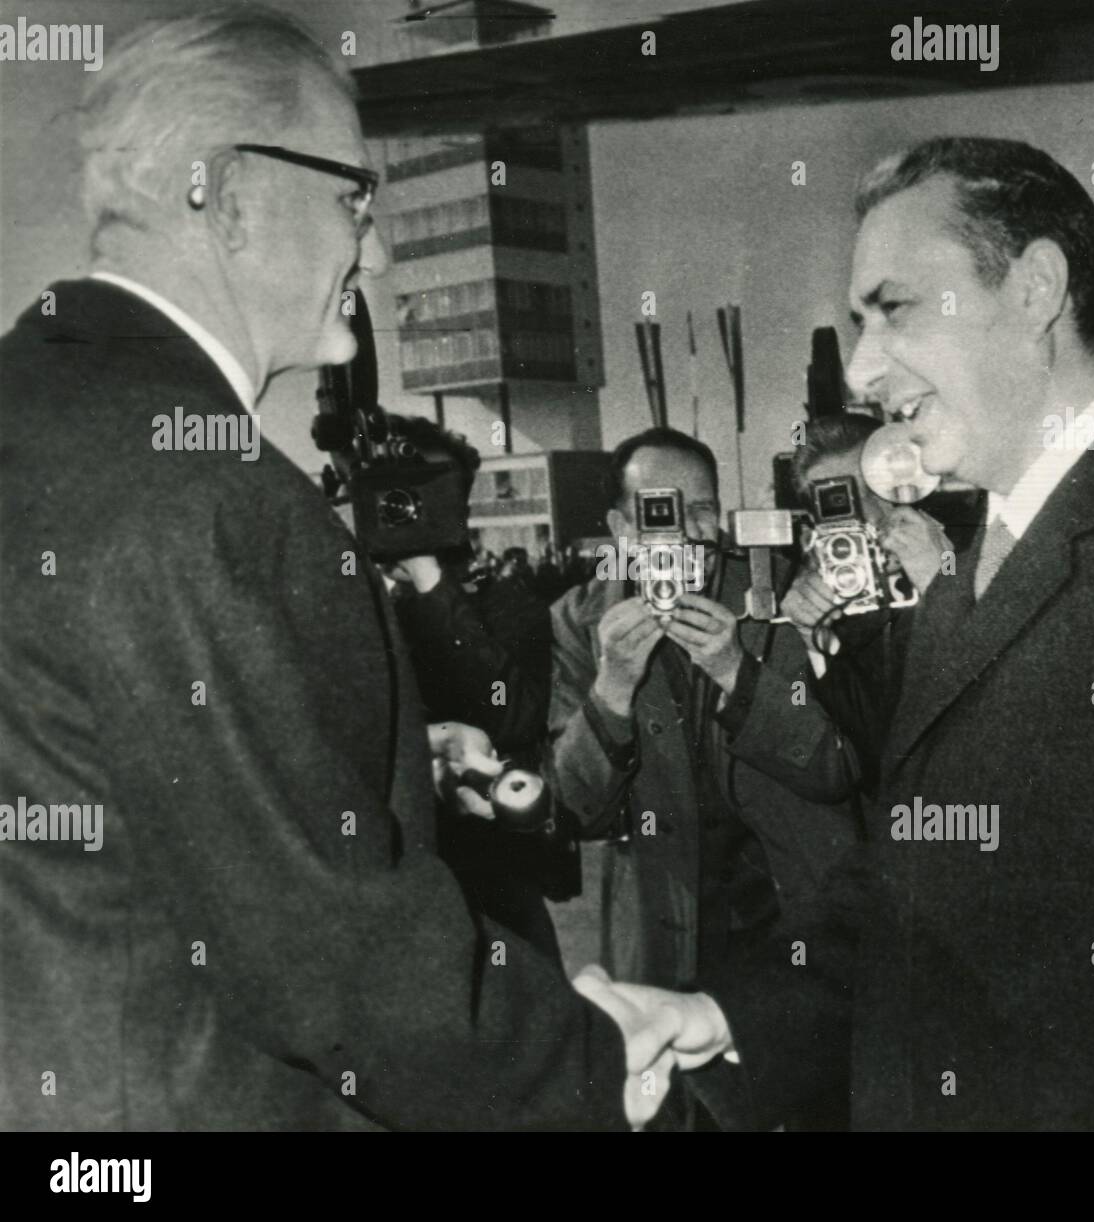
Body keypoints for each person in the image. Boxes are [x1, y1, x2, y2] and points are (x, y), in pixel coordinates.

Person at [0, 7, 645, 1131]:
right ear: (230, 196)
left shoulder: (43, 411)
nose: (377, 249)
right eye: (356, 198)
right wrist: (599, 1065)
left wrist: (364, 756)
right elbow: (331, 959)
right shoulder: (210, 493)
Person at [583, 137, 1094, 1131]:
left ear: (1034, 287)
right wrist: (723, 1013)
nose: (866, 371)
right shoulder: (987, 547)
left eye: (895, 310)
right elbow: (919, 890)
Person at [547, 427, 860, 994]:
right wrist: (612, 687)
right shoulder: (579, 621)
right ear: (620, 530)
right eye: (660, 513)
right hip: (663, 931)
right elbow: (573, 809)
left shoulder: (782, 596)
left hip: (792, 922)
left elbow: (833, 767)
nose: (687, 532)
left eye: (702, 510)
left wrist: (736, 674)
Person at [381, 414, 572, 956]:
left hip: (485, 866)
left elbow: (513, 715)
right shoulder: (347, 597)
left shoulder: (503, 601)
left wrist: (428, 576)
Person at [779, 412, 961, 796]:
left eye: (872, 489)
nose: (865, 515)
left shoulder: (976, 558)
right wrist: (817, 642)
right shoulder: (828, 607)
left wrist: (942, 587)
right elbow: (873, 760)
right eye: (836, 502)